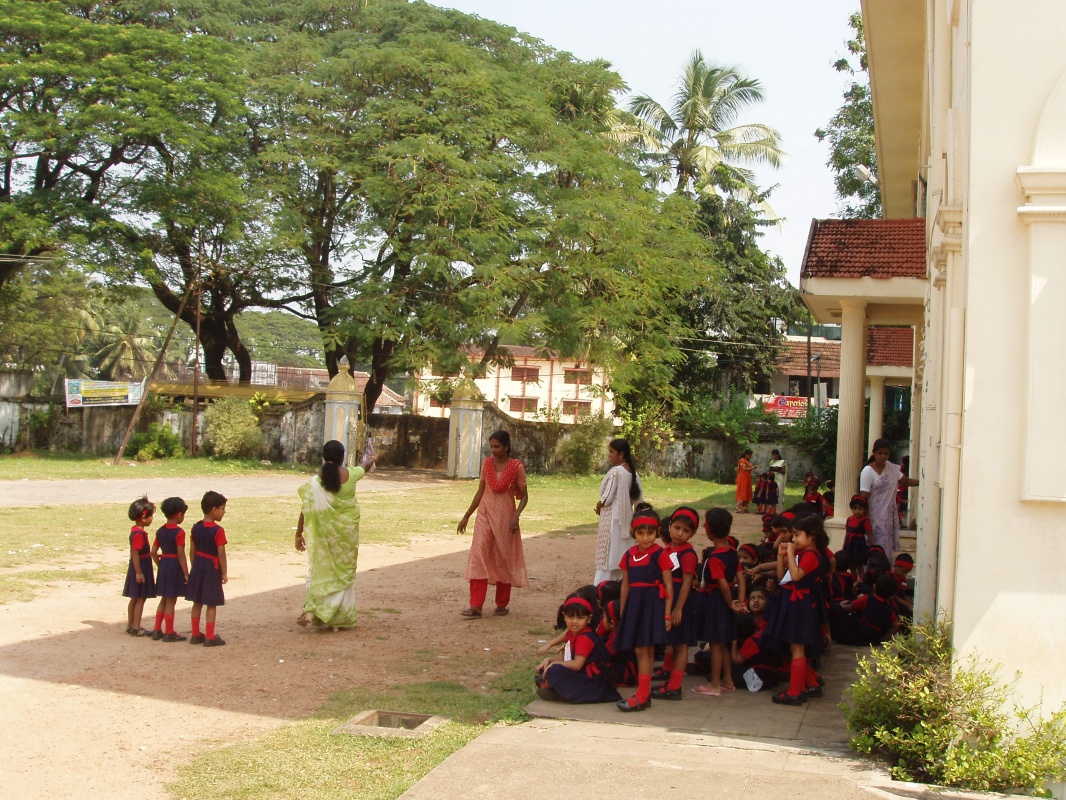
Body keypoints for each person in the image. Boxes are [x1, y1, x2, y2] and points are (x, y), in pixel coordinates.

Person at [295, 440, 376, 631]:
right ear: (342, 457)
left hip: (322, 537)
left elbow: (305, 509)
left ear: (324, 457)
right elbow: (365, 466)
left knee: (320, 571)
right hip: (345, 539)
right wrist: (373, 458)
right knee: (343, 574)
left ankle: (313, 610)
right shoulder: (351, 475)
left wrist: (298, 534)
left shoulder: (315, 483)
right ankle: (335, 617)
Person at [457, 430, 529, 619]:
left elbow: (524, 496)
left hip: (506, 519)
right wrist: (467, 516)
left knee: (503, 558)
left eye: (497, 446)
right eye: (491, 446)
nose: (493, 450)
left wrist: (516, 516)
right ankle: (475, 606)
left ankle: (501, 604)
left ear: (506, 447)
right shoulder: (486, 464)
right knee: (478, 556)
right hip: (484, 515)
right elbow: (480, 492)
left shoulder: (516, 467)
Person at [615, 508, 674, 712]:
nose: (646, 537)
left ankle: (642, 695)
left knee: (645, 649)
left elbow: (668, 586)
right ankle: (643, 694)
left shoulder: (660, 554)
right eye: (641, 533)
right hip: (634, 607)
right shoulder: (628, 555)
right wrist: (624, 613)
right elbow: (625, 586)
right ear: (634, 533)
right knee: (640, 650)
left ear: (657, 532)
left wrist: (667, 614)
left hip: (652, 607)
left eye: (650, 533)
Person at [767, 515, 826, 706]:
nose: (793, 540)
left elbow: (796, 575)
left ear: (812, 536)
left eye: (797, 535)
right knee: (793, 647)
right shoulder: (802, 554)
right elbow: (782, 577)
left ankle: (795, 692)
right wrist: (780, 556)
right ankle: (810, 683)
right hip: (791, 602)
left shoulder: (811, 556)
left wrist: (791, 554)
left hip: (799, 605)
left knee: (797, 649)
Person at [693, 508, 744, 697]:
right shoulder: (731, 552)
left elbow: (722, 585)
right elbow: (741, 578)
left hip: (716, 602)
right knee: (723, 643)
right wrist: (740, 601)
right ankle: (728, 680)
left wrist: (730, 602)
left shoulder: (715, 557)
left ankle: (715, 684)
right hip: (726, 602)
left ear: (709, 531)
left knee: (715, 643)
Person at [652, 507, 700, 700]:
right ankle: (669, 676)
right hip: (669, 599)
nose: (680, 533)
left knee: (681, 644)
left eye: (686, 530)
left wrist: (679, 608)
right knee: (673, 640)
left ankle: (675, 686)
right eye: (677, 528)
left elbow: (687, 582)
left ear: (692, 533)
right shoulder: (669, 549)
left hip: (681, 600)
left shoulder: (688, 554)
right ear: (670, 526)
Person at [535, 597, 621, 704]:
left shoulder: (584, 638)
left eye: (580, 618)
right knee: (546, 668)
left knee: (553, 670)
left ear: (589, 619)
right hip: (584, 673)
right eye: (571, 617)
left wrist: (554, 664)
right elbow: (569, 658)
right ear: (564, 616)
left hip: (595, 682)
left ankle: (554, 689)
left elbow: (577, 664)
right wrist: (549, 659)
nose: (575, 621)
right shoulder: (572, 633)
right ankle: (553, 687)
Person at [593, 439, 641, 584]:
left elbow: (607, 498)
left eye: (611, 452)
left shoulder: (616, 472)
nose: (609, 455)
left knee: (607, 557)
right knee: (622, 556)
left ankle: (602, 587)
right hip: (627, 521)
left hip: (612, 520)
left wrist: (599, 505)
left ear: (621, 454)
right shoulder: (634, 474)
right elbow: (640, 502)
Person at [859, 439, 919, 555]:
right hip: (873, 518)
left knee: (886, 550)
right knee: (874, 550)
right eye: (880, 453)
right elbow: (863, 499)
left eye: (886, 454)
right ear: (874, 453)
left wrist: (923, 482)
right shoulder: (868, 471)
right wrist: (867, 522)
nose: (883, 456)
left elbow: (905, 481)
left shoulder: (891, 468)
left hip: (888, 518)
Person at [186, 491, 228, 647]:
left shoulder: (196, 527)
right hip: (211, 568)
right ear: (214, 510)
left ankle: (195, 634)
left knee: (197, 601)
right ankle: (210, 636)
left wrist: (195, 566)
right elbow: (221, 553)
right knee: (211, 602)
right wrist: (224, 572)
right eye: (222, 509)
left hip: (198, 566)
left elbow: (192, 551)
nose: (224, 512)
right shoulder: (218, 530)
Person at [150, 496, 189, 642]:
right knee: (171, 601)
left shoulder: (160, 531)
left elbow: (153, 551)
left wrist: (160, 564)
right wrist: (185, 573)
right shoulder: (179, 532)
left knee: (164, 600)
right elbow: (181, 554)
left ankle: (156, 629)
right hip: (174, 566)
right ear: (178, 515)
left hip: (164, 564)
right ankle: (169, 631)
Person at [122, 496, 156, 637]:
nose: (152, 519)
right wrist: (139, 572)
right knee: (140, 597)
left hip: (138, 566)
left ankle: (131, 624)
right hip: (141, 566)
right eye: (151, 516)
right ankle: (136, 626)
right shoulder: (138, 534)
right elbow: (135, 553)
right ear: (143, 517)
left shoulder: (136, 532)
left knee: (134, 597)